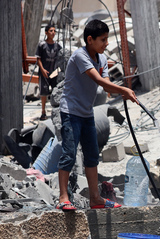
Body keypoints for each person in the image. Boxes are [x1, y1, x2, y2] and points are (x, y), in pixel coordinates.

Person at [56, 19, 138, 211]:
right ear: (90, 39)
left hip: (87, 113)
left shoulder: (101, 59)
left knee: (92, 156)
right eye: (103, 40)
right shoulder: (79, 56)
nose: (106, 43)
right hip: (71, 112)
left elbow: (107, 84)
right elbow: (99, 80)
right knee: (69, 154)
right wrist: (124, 90)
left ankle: (95, 198)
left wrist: (120, 91)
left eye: (107, 39)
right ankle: (63, 197)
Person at [36, 24, 62, 120]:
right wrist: (42, 70)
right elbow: (38, 59)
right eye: (51, 31)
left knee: (56, 92)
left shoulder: (57, 45)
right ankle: (43, 111)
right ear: (46, 33)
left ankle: (56, 111)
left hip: (54, 72)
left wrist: (58, 70)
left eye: (54, 31)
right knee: (44, 92)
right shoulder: (42, 45)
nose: (53, 33)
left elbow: (61, 58)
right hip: (44, 73)